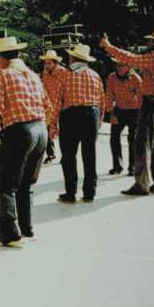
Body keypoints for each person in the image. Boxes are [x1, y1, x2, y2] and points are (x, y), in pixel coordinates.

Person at [0, 37, 52, 247]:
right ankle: (27, 229)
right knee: (26, 184)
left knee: (4, 185)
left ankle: (10, 234)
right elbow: (48, 106)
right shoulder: (33, 75)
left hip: (19, 131)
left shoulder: (3, 75)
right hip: (40, 129)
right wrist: (41, 129)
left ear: (2, 58)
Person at [101, 27, 154, 195]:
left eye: (150, 41)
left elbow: (131, 59)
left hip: (152, 103)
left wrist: (108, 46)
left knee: (142, 145)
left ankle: (141, 185)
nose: (147, 43)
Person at [53, 44, 105, 204]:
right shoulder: (95, 75)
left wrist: (53, 123)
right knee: (89, 155)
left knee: (69, 156)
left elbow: (57, 101)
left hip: (71, 116)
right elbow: (102, 100)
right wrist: (100, 120)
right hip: (92, 115)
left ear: (72, 58)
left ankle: (71, 193)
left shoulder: (65, 75)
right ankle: (90, 193)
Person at [106, 58, 143, 176]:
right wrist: (111, 113)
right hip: (119, 110)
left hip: (134, 111)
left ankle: (132, 167)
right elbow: (109, 96)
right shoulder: (112, 77)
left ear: (129, 66)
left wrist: (140, 116)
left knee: (133, 140)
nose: (119, 68)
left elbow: (142, 98)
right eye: (117, 65)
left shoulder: (136, 79)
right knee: (114, 138)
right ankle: (117, 166)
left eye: (122, 65)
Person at [39, 50, 66, 164]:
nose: (47, 65)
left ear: (55, 63)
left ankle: (66, 155)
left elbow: (67, 89)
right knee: (47, 130)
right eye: (45, 63)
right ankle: (51, 154)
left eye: (49, 63)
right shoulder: (44, 73)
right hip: (49, 106)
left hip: (63, 105)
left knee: (64, 132)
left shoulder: (63, 72)